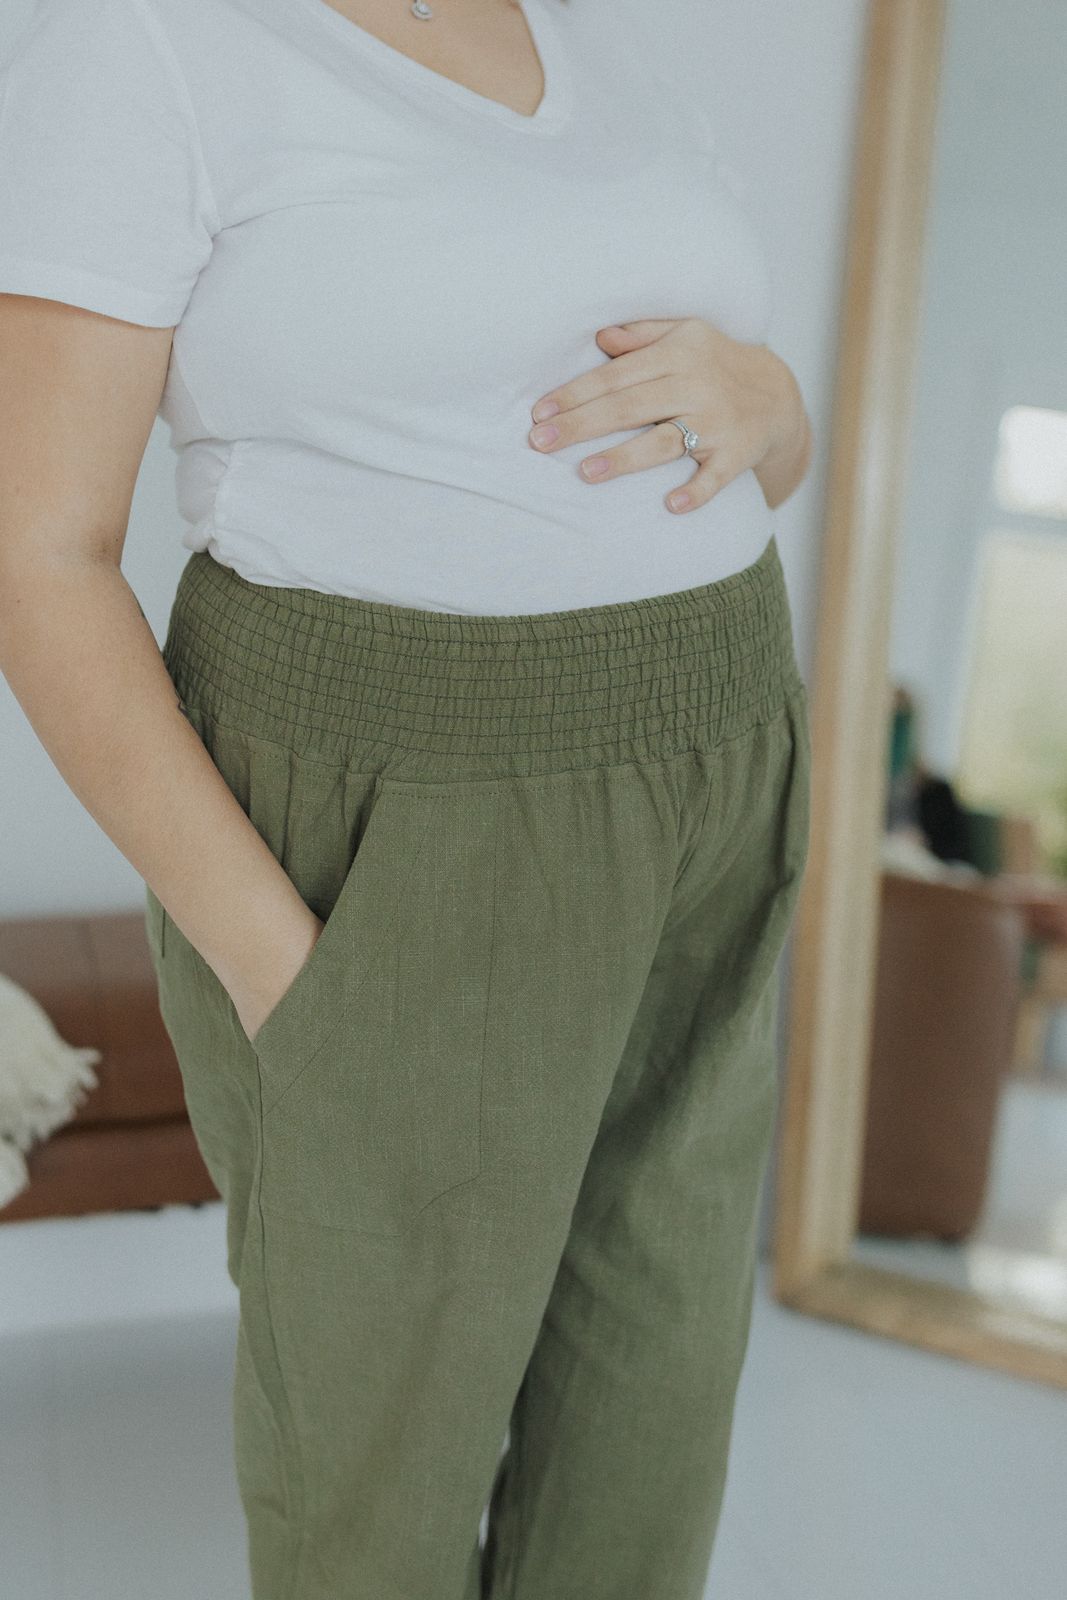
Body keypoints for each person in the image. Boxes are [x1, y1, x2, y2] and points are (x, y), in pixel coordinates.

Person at [0, 2, 814, 1596]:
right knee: (377, 1493)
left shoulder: (596, 46)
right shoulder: (151, 42)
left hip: (715, 771)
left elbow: (745, 460)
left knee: (648, 1434)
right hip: (409, 809)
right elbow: (40, 560)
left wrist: (771, 402)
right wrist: (287, 981)